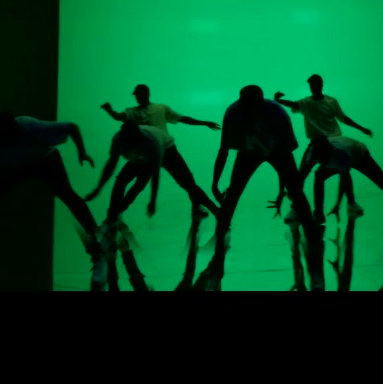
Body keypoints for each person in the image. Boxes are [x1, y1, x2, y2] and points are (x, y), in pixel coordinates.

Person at [192, 85, 325, 291]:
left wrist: (282, 192)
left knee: (297, 195)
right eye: (245, 104)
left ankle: (313, 243)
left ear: (260, 102)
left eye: (250, 104)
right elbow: (224, 149)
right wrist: (215, 182)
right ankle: (219, 250)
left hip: (274, 151)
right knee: (232, 197)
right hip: (249, 152)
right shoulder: (234, 111)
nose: (247, 108)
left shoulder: (277, 112)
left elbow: (284, 153)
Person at [0, 113, 106, 291]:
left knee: (70, 197)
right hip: (13, 166)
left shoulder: (31, 126)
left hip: (44, 160)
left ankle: (99, 252)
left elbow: (72, 127)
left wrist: (82, 151)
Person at [101, 84, 220, 218]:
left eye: (140, 95)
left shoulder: (159, 109)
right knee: (132, 183)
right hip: (151, 153)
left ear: (147, 94)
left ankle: (209, 208)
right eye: (137, 95)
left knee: (186, 183)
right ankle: (115, 213)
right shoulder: (134, 112)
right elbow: (119, 116)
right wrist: (110, 111)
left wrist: (203, 122)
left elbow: (182, 118)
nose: (138, 98)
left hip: (165, 151)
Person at [271, 74, 373, 224]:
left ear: (321, 85)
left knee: (342, 171)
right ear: (310, 87)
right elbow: (294, 104)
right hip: (316, 143)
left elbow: (343, 118)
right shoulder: (306, 102)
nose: (314, 88)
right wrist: (279, 101)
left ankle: (350, 203)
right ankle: (297, 207)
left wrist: (361, 128)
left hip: (335, 143)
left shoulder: (331, 101)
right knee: (301, 176)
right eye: (312, 85)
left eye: (316, 85)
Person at [85, 120, 175, 288]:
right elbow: (111, 165)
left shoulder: (152, 142)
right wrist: (98, 187)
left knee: (137, 186)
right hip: (137, 159)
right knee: (120, 181)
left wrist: (152, 200)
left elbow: (155, 173)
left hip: (150, 160)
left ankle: (116, 214)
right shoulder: (118, 139)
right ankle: (113, 215)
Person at [309, 135, 383, 230]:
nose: (319, 161)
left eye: (322, 158)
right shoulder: (313, 152)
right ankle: (318, 213)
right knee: (319, 175)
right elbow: (306, 171)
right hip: (342, 157)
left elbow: (344, 180)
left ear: (327, 152)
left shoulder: (341, 153)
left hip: (360, 156)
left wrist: (337, 205)